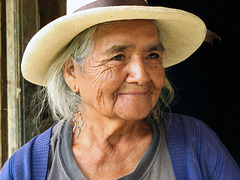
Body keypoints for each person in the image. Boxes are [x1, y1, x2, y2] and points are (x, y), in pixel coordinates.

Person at [1, 0, 239, 179]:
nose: (141, 75)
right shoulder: (27, 168)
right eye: (117, 56)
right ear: (72, 72)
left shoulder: (196, 145)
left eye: (152, 55)